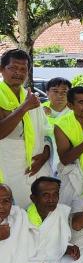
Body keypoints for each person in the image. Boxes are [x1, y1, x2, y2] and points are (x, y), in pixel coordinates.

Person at [0, 49, 51, 208]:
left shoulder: (31, 98)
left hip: (34, 168)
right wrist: (24, 108)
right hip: (6, 168)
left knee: (33, 215)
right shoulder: (29, 102)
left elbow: (47, 130)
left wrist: (46, 153)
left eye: (23, 69)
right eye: (13, 68)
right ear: (2, 69)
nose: (18, 73)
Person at [54, 86, 83, 205]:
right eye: (81, 102)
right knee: (70, 212)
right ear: (70, 105)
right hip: (72, 178)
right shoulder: (61, 125)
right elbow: (65, 160)